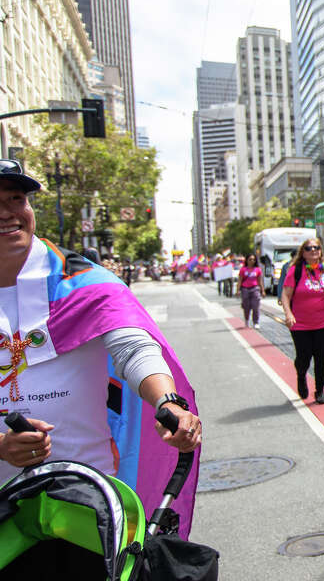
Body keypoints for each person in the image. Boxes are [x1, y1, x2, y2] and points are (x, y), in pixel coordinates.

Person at [0, 159, 204, 531]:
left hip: (89, 501)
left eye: (15, 199)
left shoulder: (85, 281)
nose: (7, 213)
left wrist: (167, 401)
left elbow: (134, 347)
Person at [279, 238, 324, 405]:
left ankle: (320, 391)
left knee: (321, 356)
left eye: (316, 247)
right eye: (309, 248)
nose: (313, 251)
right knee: (303, 357)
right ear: (303, 252)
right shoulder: (295, 270)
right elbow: (285, 295)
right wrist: (288, 314)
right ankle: (301, 375)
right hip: (300, 323)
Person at [238, 253, 263, 328]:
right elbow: (240, 280)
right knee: (246, 307)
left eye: (253, 259)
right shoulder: (243, 269)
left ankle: (256, 322)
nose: (252, 261)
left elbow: (260, 281)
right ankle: (246, 320)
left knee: (256, 306)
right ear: (247, 260)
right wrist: (238, 290)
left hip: (255, 289)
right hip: (245, 289)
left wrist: (263, 290)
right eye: (250, 259)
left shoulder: (258, 270)